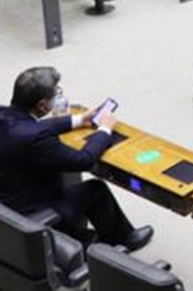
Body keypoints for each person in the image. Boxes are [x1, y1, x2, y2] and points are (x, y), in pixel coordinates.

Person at [0, 67, 153, 250]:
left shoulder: (6, 115)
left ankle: (84, 235)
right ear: (42, 105)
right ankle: (125, 239)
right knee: (96, 190)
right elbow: (84, 160)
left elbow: (32, 126)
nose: (57, 97)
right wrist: (105, 130)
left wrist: (80, 120)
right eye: (55, 94)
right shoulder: (36, 138)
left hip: (9, 199)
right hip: (34, 210)